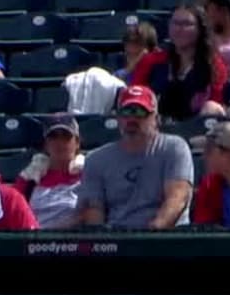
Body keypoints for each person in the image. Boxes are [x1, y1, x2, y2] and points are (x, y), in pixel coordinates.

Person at [77, 86, 194, 229]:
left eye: (140, 112)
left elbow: (178, 197)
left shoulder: (174, 147)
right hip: (117, 238)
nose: (132, 119)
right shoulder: (95, 159)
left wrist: (151, 235)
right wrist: (103, 244)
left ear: (156, 119)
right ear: (118, 118)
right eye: (126, 112)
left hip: (165, 237)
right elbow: (94, 210)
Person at [12, 113, 83, 230]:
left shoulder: (89, 175)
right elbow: (13, 211)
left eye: (66, 136)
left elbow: (94, 213)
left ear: (77, 143)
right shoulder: (29, 178)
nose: (59, 142)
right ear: (46, 144)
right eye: (53, 136)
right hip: (34, 243)